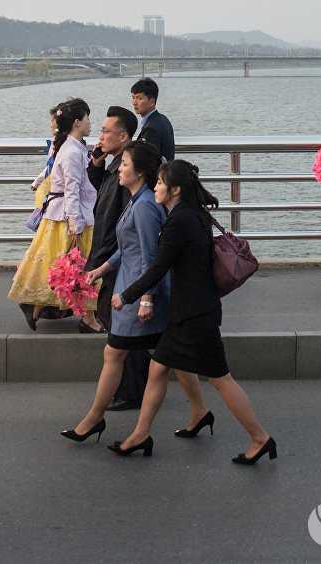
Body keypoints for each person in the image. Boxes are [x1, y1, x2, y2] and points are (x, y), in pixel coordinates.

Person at [109, 160, 276, 465]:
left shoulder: (179, 222)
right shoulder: (194, 215)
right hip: (191, 311)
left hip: (194, 315)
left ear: (175, 190)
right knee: (158, 368)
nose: (155, 187)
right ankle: (141, 434)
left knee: (221, 379)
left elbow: (158, 267)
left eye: (160, 183)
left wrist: (128, 296)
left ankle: (260, 438)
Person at [64, 141, 169, 443]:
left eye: (124, 164)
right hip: (129, 286)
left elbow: (151, 256)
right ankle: (198, 413)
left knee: (117, 352)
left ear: (140, 172)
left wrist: (145, 299)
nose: (119, 169)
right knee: (160, 357)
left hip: (136, 292)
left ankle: (94, 419)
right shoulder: (136, 201)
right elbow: (127, 248)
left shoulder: (145, 206)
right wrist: (100, 270)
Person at [9, 98, 99, 331]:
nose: (90, 123)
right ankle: (87, 317)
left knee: (61, 265)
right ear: (77, 122)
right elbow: (72, 190)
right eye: (87, 118)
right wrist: (76, 224)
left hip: (60, 216)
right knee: (80, 266)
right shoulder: (72, 151)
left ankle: (37, 306)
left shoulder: (70, 147)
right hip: (70, 218)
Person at [84, 107, 150, 409]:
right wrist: (96, 165)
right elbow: (101, 197)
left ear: (123, 137)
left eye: (105, 131)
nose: (100, 136)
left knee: (122, 328)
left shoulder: (128, 172)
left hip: (118, 260)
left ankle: (131, 391)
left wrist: (106, 261)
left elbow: (125, 225)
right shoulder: (114, 168)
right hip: (111, 258)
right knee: (119, 325)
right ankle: (131, 387)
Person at [130, 77, 175, 162]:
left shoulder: (151, 129)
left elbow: (148, 162)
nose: (134, 102)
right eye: (133, 97)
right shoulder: (162, 119)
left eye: (139, 98)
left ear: (152, 101)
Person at [31, 105, 62, 207]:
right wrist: (38, 182)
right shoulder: (55, 142)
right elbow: (50, 167)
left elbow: (52, 167)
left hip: (58, 193)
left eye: (52, 121)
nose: (51, 125)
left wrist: (39, 183)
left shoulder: (62, 145)